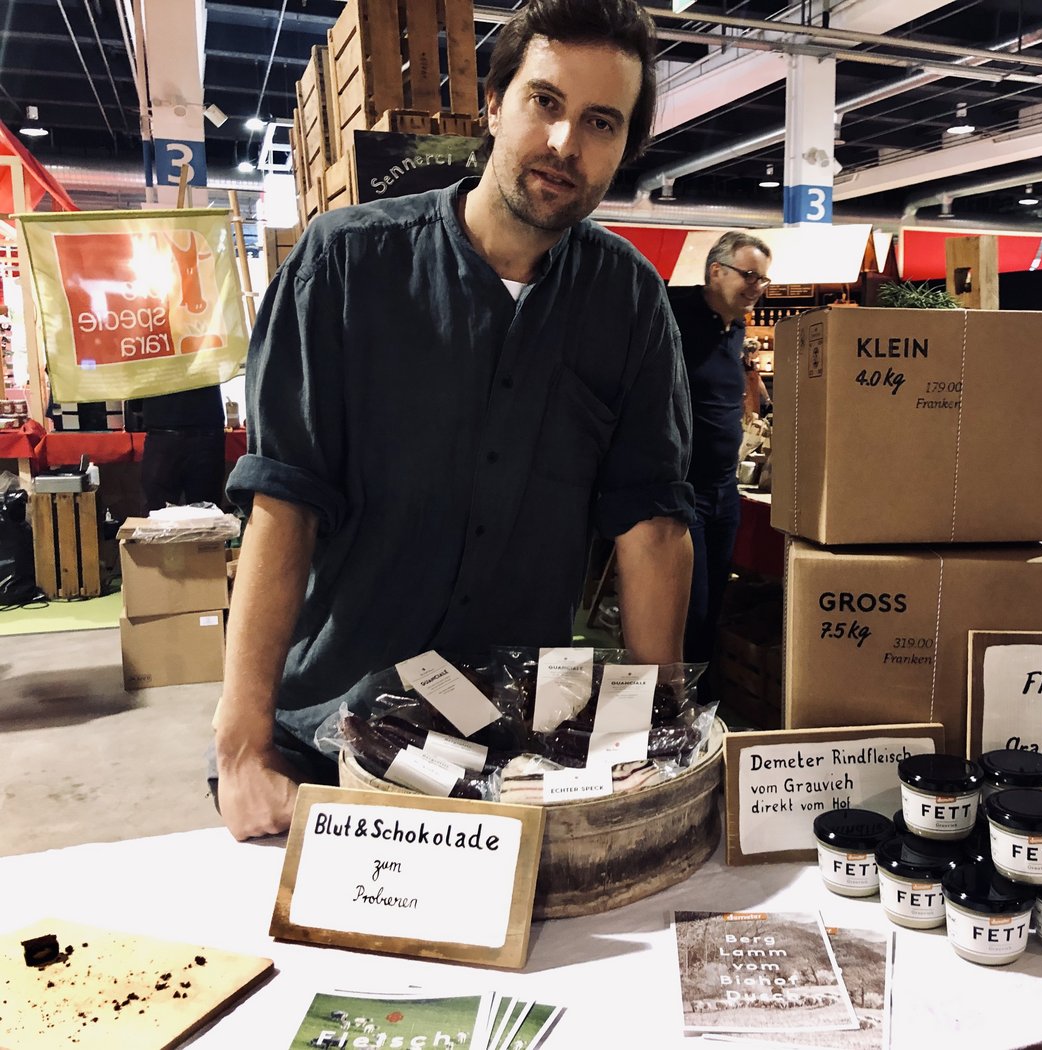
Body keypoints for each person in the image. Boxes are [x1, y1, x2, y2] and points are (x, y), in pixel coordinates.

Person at [215, 0, 694, 840]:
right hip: (329, 737)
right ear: (495, 104)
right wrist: (242, 747)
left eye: (601, 122)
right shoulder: (346, 264)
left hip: (515, 755)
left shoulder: (628, 301)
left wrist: (658, 742)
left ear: (625, 147)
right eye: (545, 102)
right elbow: (283, 504)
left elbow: (650, 525)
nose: (564, 143)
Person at [667, 231, 772, 676]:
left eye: (763, 279)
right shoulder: (673, 313)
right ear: (716, 271)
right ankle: (675, 696)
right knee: (688, 606)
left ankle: (703, 693)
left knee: (713, 603)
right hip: (681, 489)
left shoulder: (737, 329)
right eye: (749, 275)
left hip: (724, 492)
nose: (756, 287)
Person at [135, 386, 227, 511]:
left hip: (162, 431)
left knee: (156, 512)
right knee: (207, 512)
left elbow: (135, 399)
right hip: (206, 429)